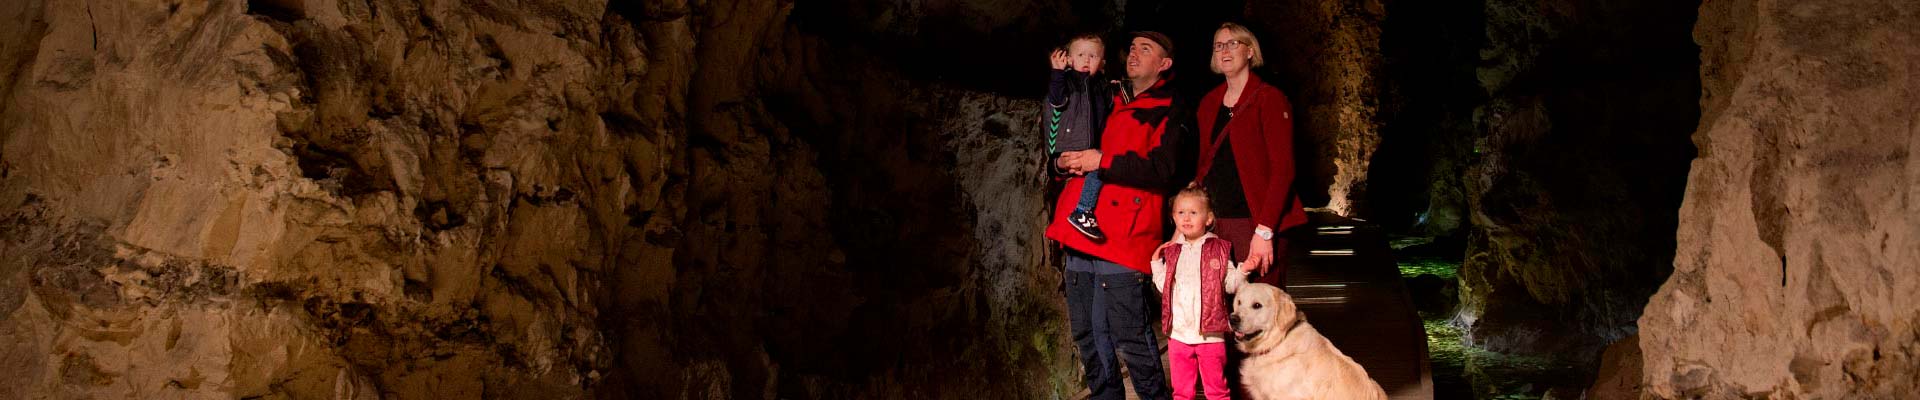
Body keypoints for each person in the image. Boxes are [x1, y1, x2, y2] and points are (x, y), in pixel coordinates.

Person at [1051, 30, 1190, 400]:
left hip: (1125, 234)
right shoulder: (1104, 95)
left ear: (1164, 64)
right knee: (1086, 332)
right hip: (1079, 226)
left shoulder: (1171, 105)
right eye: (1131, 48)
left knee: (1129, 334)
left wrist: (1103, 161)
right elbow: (1066, 130)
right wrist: (1061, 160)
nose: (1134, 54)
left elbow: (1165, 169)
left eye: (1146, 50)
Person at [1193, 22, 1307, 287]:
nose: (1225, 50)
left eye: (1233, 43)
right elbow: (1204, 165)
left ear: (1250, 51)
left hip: (1256, 219)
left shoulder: (1269, 99)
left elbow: (1283, 168)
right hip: (1217, 221)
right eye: (1219, 45)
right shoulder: (1209, 103)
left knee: (1263, 308)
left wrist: (1265, 230)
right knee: (1218, 308)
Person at [1151, 188, 1249, 400]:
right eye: (1180, 213)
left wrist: (1243, 270)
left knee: (1217, 391)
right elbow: (1165, 287)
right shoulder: (1173, 251)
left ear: (1208, 218)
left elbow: (1230, 285)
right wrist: (1156, 264)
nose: (1186, 218)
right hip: (1178, 335)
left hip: (1211, 335)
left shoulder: (1219, 249)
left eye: (1193, 213)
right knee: (1182, 392)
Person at [1045, 33, 1115, 240]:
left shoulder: (1102, 86)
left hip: (1092, 146)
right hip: (1071, 144)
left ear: (1102, 62)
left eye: (1093, 56)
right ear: (1069, 59)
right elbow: (1056, 100)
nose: (1086, 60)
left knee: (1098, 169)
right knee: (1096, 168)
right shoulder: (1066, 81)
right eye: (1081, 54)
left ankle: (1082, 210)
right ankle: (1083, 210)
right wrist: (1057, 72)